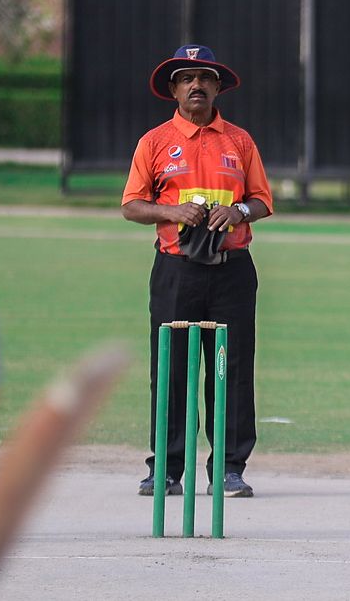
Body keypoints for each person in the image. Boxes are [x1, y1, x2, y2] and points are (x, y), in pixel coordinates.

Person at [122, 44, 273, 498]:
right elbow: (131, 205)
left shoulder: (239, 141)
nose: (196, 85)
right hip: (176, 270)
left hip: (232, 271)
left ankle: (229, 469)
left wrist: (238, 211)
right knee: (170, 369)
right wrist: (172, 212)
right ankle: (166, 468)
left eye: (205, 78)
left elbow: (263, 200)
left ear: (217, 87)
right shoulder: (154, 142)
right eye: (186, 78)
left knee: (232, 369)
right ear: (173, 89)